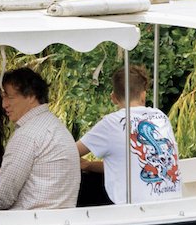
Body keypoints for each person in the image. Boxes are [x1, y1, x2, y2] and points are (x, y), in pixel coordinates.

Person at [77, 62, 181, 203]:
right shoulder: (161, 117)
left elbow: (67, 153)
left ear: (113, 97)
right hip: (173, 204)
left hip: (134, 211)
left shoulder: (112, 123)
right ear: (144, 95)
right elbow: (133, 165)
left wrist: (84, 165)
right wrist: (88, 165)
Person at [0, 66, 81, 211]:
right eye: (3, 98)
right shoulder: (56, 127)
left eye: (9, 97)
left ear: (31, 96)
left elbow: (3, 196)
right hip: (59, 222)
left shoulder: (28, 135)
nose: (4, 105)